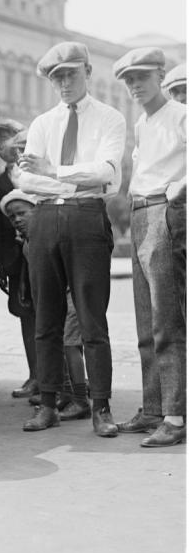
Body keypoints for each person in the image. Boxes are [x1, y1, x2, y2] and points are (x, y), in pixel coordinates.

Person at [16, 41, 126, 437]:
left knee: (92, 319)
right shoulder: (44, 123)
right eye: (56, 77)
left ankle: (101, 407)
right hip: (45, 218)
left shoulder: (111, 119)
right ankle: (48, 405)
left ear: (88, 72)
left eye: (70, 74)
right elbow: (25, 178)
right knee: (46, 318)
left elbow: (106, 173)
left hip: (87, 217)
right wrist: (61, 173)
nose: (63, 83)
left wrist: (54, 169)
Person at [113, 47, 186, 447]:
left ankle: (175, 416)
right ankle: (154, 408)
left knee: (166, 319)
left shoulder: (181, 114)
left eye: (141, 77)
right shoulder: (142, 123)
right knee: (145, 320)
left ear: (160, 75)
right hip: (141, 211)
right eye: (128, 80)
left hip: (164, 210)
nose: (134, 86)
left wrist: (180, 188)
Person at [0, 189, 90, 421]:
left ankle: (81, 400)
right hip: (58, 298)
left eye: (22, 213)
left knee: (70, 345)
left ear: (38, 211)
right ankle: (66, 393)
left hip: (73, 296)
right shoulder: (28, 243)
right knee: (59, 343)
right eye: (12, 217)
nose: (17, 220)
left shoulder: (51, 235)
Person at [0, 119, 37, 399]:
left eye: (7, 138)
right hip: (16, 262)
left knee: (53, 315)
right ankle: (35, 376)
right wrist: (1, 265)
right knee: (25, 315)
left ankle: (66, 379)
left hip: (42, 254)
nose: (2, 146)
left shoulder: (38, 174)